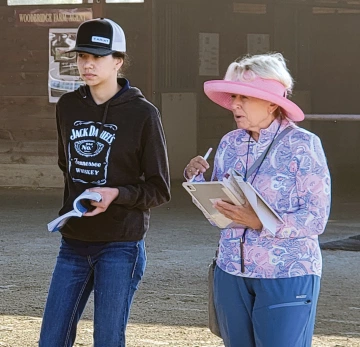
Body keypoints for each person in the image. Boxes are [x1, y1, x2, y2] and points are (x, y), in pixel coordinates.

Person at [39, 18, 170, 347]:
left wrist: (117, 194)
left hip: (120, 245)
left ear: (118, 61)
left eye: (97, 56)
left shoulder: (144, 114)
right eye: (83, 56)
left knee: (108, 340)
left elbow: (159, 188)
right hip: (74, 242)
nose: (88, 64)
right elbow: (65, 163)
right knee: (51, 339)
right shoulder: (68, 106)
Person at [185, 53, 331, 347]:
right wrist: (196, 181)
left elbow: (316, 217)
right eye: (234, 96)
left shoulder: (303, 144)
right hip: (230, 272)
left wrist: (260, 221)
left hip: (287, 273)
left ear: (272, 102)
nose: (234, 104)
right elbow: (222, 211)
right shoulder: (230, 142)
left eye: (245, 97)